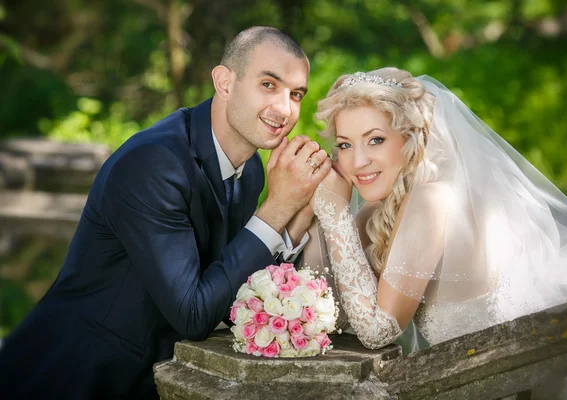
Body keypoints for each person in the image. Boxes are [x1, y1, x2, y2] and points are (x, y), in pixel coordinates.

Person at [0, 26, 330, 399]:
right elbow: (194, 313)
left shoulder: (250, 169)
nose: (284, 108)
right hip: (69, 377)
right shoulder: (155, 163)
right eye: (269, 85)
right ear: (224, 82)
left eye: (296, 94)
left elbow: (226, 289)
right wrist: (278, 206)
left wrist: (293, 225)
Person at [303, 67, 567, 351]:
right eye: (345, 145)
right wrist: (318, 207)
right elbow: (327, 310)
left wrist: (336, 213)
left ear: (411, 137)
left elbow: (377, 331)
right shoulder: (379, 209)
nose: (357, 162)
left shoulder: (431, 201)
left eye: (375, 140)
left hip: (529, 374)